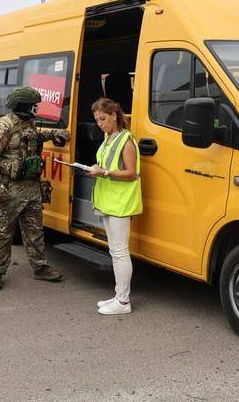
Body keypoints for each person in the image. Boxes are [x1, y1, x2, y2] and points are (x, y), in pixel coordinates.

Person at [0, 86, 69, 289]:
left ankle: (40, 268)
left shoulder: (28, 122)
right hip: (8, 188)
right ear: (22, 106)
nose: (36, 109)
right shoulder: (3, 126)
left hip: (30, 186)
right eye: (33, 105)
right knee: (2, 232)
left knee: (35, 230)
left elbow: (34, 136)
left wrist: (54, 135)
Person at [88, 98, 143, 315]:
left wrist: (103, 172)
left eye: (103, 118)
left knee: (120, 252)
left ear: (114, 115)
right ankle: (119, 295)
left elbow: (131, 173)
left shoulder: (126, 140)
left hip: (121, 202)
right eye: (97, 120)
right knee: (114, 251)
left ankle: (122, 302)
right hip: (110, 201)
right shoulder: (109, 138)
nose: (100, 123)